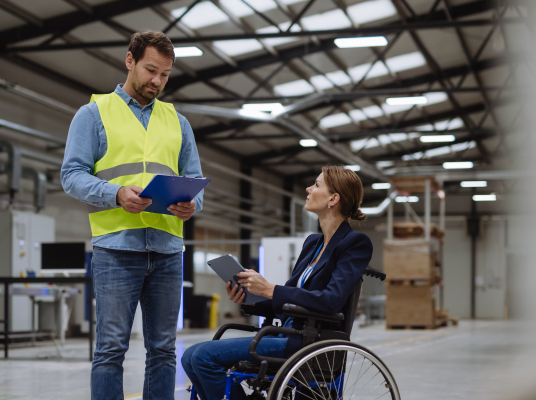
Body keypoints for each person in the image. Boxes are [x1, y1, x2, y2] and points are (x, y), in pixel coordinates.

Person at [60, 31, 204, 400]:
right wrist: (116, 193)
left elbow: (193, 182)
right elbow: (71, 175)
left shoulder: (179, 123)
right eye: (151, 70)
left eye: (165, 75)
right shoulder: (93, 114)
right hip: (116, 249)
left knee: (163, 349)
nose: (157, 81)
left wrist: (191, 205)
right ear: (130, 61)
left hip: (168, 250)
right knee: (110, 349)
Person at [181, 165, 372, 400]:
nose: (308, 188)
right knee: (190, 355)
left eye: (317, 184)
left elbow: (331, 301)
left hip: (310, 340)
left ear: (333, 198)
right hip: (286, 333)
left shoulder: (355, 243)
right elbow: (290, 297)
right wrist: (250, 300)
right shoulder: (313, 244)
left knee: (202, 357)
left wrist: (271, 289)